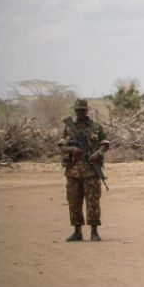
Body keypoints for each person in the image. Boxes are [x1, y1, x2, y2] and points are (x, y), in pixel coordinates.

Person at [58, 98, 110, 242]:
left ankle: (94, 231)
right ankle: (77, 231)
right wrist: (72, 149)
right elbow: (61, 147)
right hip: (73, 171)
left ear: (87, 110)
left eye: (82, 110)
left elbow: (105, 144)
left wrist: (97, 153)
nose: (80, 112)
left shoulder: (96, 127)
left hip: (92, 171)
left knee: (93, 202)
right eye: (77, 110)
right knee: (74, 201)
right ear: (74, 111)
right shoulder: (69, 127)